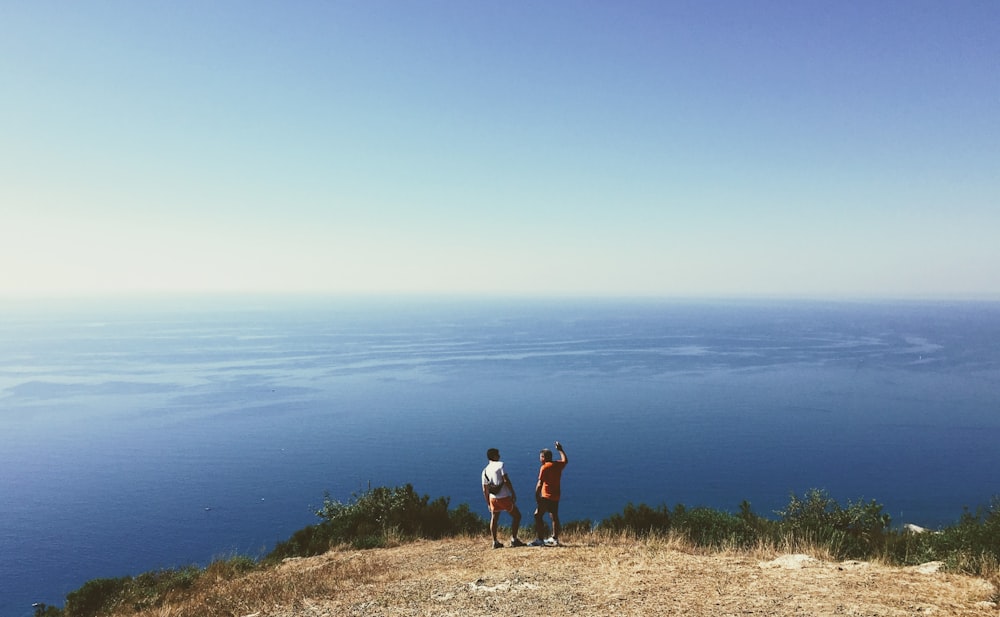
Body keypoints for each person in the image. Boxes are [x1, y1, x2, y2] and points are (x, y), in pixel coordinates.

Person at [482, 447, 526, 549]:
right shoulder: (500, 465)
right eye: (498, 454)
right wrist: (513, 492)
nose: (500, 456)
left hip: (493, 498)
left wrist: (488, 502)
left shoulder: (484, 471)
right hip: (504, 497)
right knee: (517, 516)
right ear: (494, 456)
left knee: (494, 518)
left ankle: (495, 542)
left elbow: (485, 490)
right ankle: (514, 539)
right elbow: (506, 480)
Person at [530, 440, 568, 546]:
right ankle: (555, 538)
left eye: (541, 456)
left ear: (543, 457)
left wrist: (536, 495)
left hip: (546, 496)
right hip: (556, 496)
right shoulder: (557, 465)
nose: (539, 458)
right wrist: (561, 450)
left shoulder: (544, 467)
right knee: (554, 516)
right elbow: (565, 460)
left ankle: (540, 539)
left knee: (537, 515)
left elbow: (539, 483)